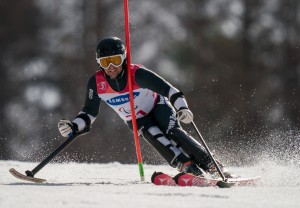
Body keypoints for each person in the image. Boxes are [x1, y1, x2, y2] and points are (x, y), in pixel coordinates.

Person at [58, 37, 235, 178]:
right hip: (136, 118)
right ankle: (186, 166)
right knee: (155, 135)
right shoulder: (96, 83)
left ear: (124, 59)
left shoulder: (137, 75)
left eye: (115, 61)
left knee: (173, 132)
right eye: (105, 62)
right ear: (99, 63)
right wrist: (74, 126)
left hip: (157, 106)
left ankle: (212, 165)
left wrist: (183, 109)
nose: (111, 67)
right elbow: (89, 113)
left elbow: (171, 91)